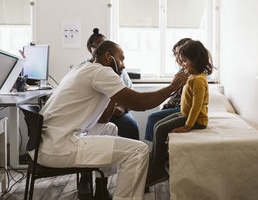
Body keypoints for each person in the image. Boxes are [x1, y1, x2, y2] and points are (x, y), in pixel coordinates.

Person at [37, 40, 187, 200]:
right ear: (108, 57)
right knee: (139, 151)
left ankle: (101, 191)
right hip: (59, 147)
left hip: (45, 143)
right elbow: (140, 103)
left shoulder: (80, 68)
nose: (123, 65)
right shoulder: (101, 72)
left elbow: (103, 119)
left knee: (110, 128)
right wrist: (172, 87)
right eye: (121, 59)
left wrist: (113, 93)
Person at [146, 40, 214, 186]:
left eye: (184, 61)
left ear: (195, 60)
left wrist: (187, 126)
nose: (182, 65)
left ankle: (158, 168)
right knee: (158, 124)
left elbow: (197, 106)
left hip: (196, 120)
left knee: (160, 129)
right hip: (185, 113)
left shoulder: (199, 81)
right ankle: (156, 159)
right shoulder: (193, 77)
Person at [86, 28, 140, 140]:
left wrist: (122, 107)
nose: (100, 50)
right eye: (97, 47)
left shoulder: (119, 69)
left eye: (104, 46)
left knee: (130, 125)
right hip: (93, 113)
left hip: (115, 112)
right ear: (89, 48)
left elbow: (130, 92)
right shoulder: (86, 69)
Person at [144, 37, 192, 142]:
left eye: (178, 53)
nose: (177, 58)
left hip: (183, 109)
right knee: (154, 118)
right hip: (177, 106)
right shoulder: (182, 72)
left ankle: (158, 152)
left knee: (153, 118)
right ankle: (158, 149)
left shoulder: (193, 74)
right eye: (176, 54)